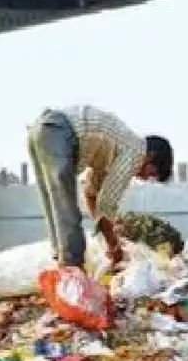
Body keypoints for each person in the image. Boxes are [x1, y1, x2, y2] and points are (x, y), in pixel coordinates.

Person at [26, 105, 173, 269]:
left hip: (41, 130)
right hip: (59, 132)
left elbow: (91, 195)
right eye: (151, 174)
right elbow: (106, 205)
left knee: (54, 205)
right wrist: (114, 246)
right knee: (65, 209)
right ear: (151, 156)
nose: (145, 179)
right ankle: (73, 270)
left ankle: (61, 263)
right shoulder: (136, 152)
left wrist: (108, 238)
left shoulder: (113, 152)